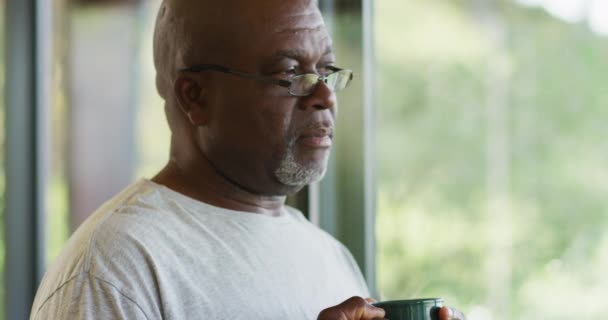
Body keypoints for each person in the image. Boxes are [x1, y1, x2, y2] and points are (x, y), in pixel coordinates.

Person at [30, 0, 466, 319]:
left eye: (327, 70)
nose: (324, 95)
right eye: (290, 74)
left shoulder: (326, 254)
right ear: (195, 97)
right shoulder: (116, 269)